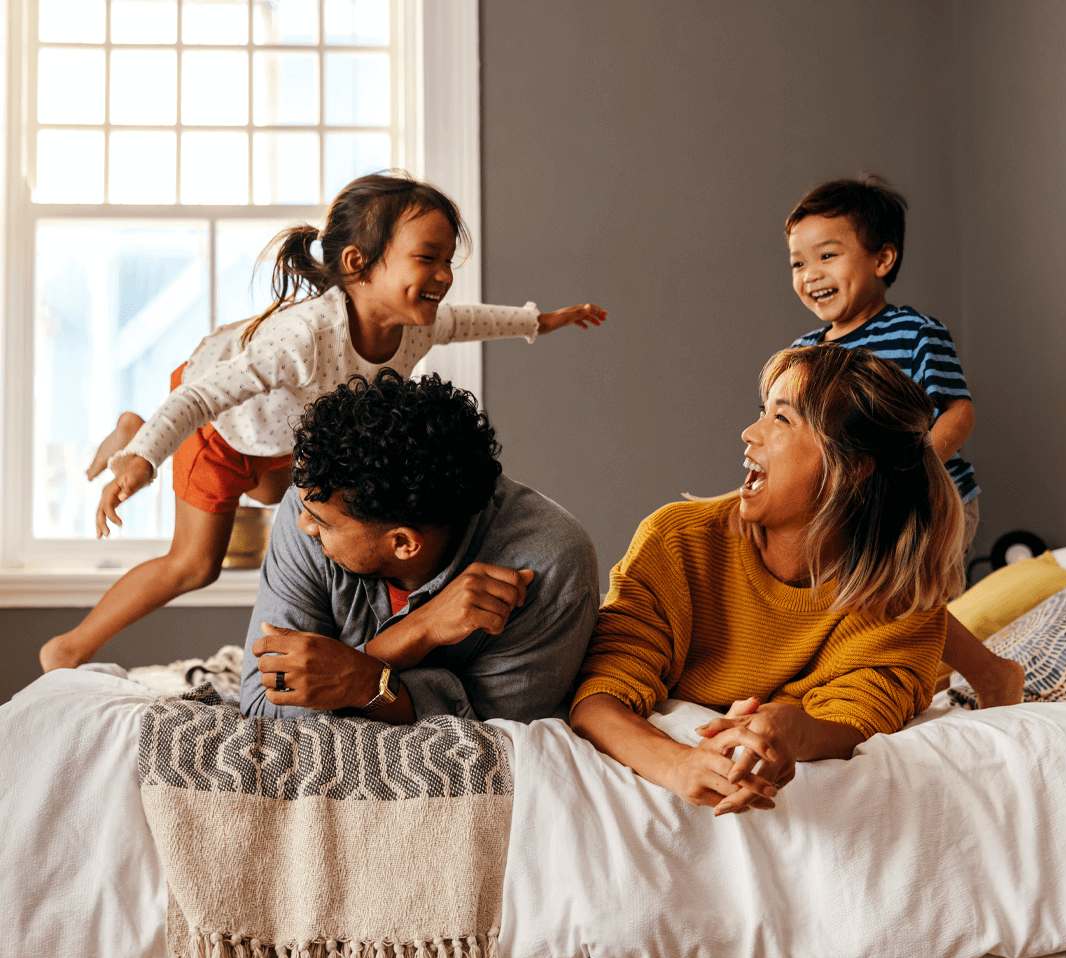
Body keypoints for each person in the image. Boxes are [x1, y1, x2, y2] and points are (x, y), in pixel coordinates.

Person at [39, 172, 606, 673]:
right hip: (223, 428)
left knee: (298, 502)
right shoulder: (305, 338)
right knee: (194, 564)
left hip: (285, 442)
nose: (444, 276)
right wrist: (144, 456)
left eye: (448, 261)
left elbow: (475, 321)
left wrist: (546, 321)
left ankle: (139, 425)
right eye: (427, 258)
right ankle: (69, 646)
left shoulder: (420, 322)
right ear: (359, 263)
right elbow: (203, 394)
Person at [570, 344, 963, 815]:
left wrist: (792, 729)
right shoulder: (676, 542)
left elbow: (855, 718)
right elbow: (597, 699)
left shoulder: (900, 600)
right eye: (763, 412)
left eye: (782, 420)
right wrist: (679, 765)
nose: (748, 433)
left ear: (855, 467)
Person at [239, 369, 599, 724]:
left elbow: (495, 745)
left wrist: (359, 680)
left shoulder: (550, 564)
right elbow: (262, 705)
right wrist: (415, 634)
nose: (303, 525)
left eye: (322, 524)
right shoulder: (317, 497)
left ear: (403, 544)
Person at [784, 175, 1022, 708]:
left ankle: (993, 676)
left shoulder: (915, 332)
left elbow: (958, 411)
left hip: (929, 499)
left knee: (903, 592)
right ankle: (924, 682)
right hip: (852, 507)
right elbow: (792, 432)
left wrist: (910, 468)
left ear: (882, 259)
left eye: (827, 255)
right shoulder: (803, 355)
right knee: (863, 599)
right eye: (798, 263)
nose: (811, 274)